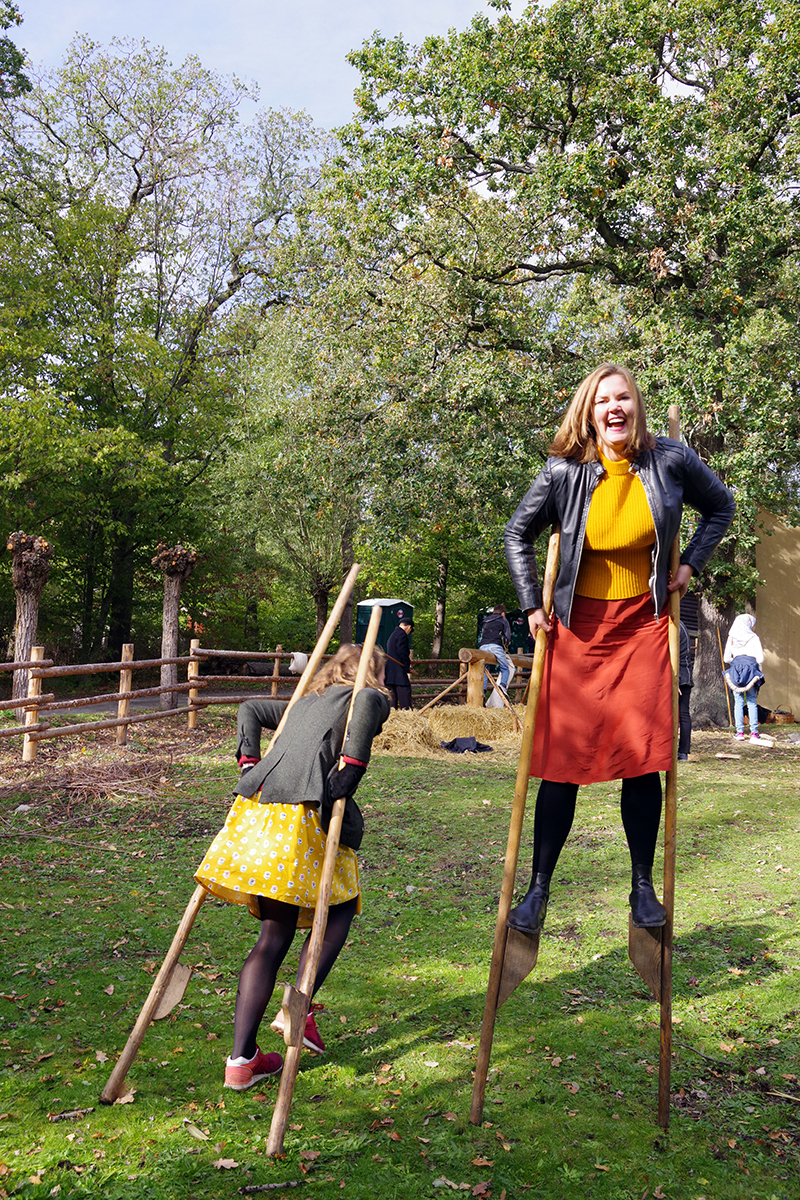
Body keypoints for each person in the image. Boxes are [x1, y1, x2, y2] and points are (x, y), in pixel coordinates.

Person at [503, 363, 735, 932]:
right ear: (589, 410)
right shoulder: (564, 473)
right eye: (604, 399)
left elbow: (721, 506)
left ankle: (641, 887)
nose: (614, 408)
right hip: (575, 630)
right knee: (560, 766)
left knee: (643, 759)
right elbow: (517, 534)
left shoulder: (670, 461)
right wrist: (533, 604)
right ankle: (537, 892)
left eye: (624, 398)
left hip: (643, 626)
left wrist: (689, 565)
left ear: (637, 407)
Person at [194, 643, 391, 1090]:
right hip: (300, 815)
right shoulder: (365, 695)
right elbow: (367, 705)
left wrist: (250, 761)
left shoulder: (305, 701)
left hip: (260, 811)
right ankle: (296, 1007)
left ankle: (241, 1061)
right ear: (369, 672)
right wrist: (353, 768)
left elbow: (248, 708)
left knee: (274, 935)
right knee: (342, 906)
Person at [723, 614, 765, 743]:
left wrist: (736, 660)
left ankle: (739, 732)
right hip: (751, 670)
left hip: (736, 670)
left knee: (738, 701)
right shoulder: (754, 638)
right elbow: (761, 658)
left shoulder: (732, 637)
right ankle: (754, 732)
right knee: (751, 701)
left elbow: (726, 659)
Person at [479, 604, 513, 694]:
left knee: (484, 669)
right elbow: (507, 636)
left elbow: (482, 634)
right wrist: (506, 645)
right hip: (495, 645)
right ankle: (502, 686)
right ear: (503, 613)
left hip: (483, 646)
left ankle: (483, 690)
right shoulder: (503, 620)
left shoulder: (485, 620)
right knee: (505, 668)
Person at [385, 618, 414, 709]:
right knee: (405, 694)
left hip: (390, 672)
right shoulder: (402, 635)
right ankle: (406, 712)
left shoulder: (393, 634)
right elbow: (402, 652)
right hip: (399, 673)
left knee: (392, 698)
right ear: (409, 627)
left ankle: (392, 715)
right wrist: (407, 666)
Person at [678, 621, 693, 761]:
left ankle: (683, 752)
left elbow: (673, 654)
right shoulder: (679, 624)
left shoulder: (675, 625)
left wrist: (674, 679)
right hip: (682, 674)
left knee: (683, 714)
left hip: (680, 675)